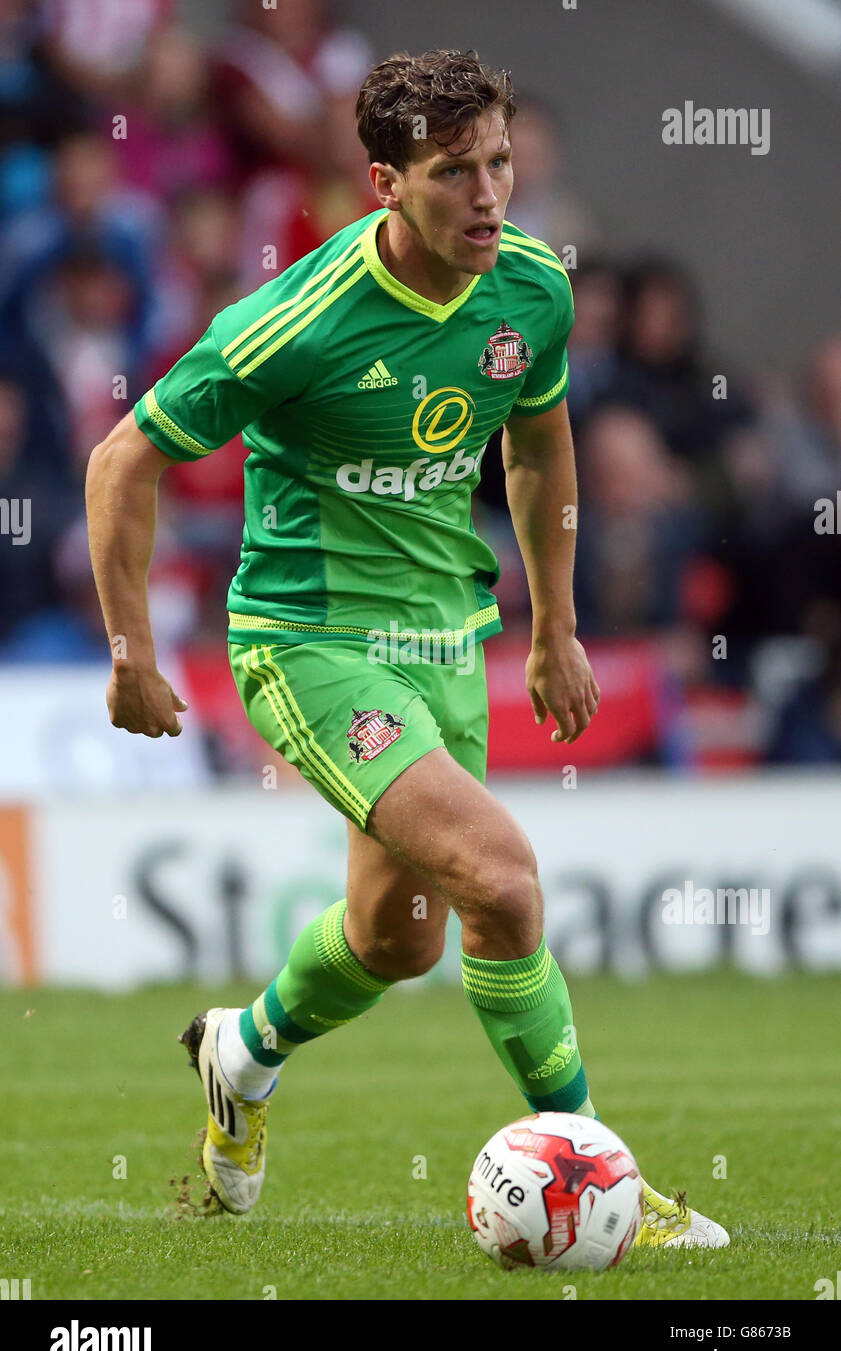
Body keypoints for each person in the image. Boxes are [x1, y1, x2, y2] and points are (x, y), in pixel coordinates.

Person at [86, 49, 728, 1252]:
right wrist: (131, 649)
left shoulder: (529, 288)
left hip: (448, 637)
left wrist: (559, 625)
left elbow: (538, 448)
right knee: (503, 878)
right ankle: (608, 1183)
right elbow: (122, 460)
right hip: (310, 643)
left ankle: (244, 1048)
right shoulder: (295, 321)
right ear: (384, 182)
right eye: (454, 174)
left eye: (500, 163)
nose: (490, 196)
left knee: (398, 940)